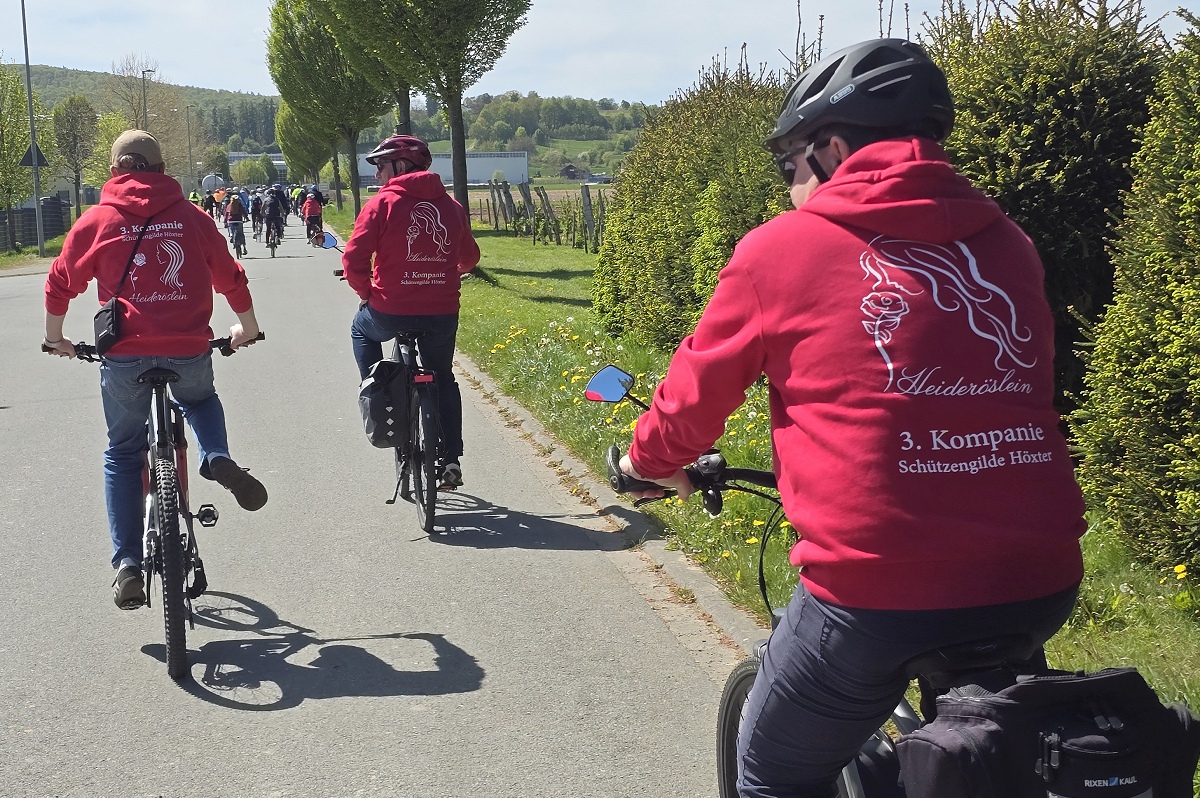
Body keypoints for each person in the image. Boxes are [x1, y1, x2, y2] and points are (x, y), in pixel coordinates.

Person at [614, 39, 1086, 798]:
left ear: (832, 150)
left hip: (875, 590)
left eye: (788, 166)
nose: (788, 188)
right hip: (1039, 575)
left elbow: (693, 398)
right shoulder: (1009, 244)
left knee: (771, 776)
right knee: (1004, 761)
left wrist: (645, 463)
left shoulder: (781, 250)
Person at [42, 130, 268, 611]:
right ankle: (216, 457)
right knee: (200, 400)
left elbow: (61, 280)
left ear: (114, 171)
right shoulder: (192, 217)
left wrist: (55, 338)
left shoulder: (97, 219)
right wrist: (246, 329)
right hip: (188, 348)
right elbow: (230, 276)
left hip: (124, 357)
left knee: (123, 452)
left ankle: (127, 564)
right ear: (162, 170)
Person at [343, 134, 480, 489]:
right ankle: (451, 458)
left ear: (400, 166)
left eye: (381, 166)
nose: (377, 175)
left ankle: (375, 387)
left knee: (360, 328)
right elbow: (470, 258)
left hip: (390, 310)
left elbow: (353, 260)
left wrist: (366, 293)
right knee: (442, 377)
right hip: (441, 312)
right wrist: (443, 273)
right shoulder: (452, 207)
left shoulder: (381, 204)